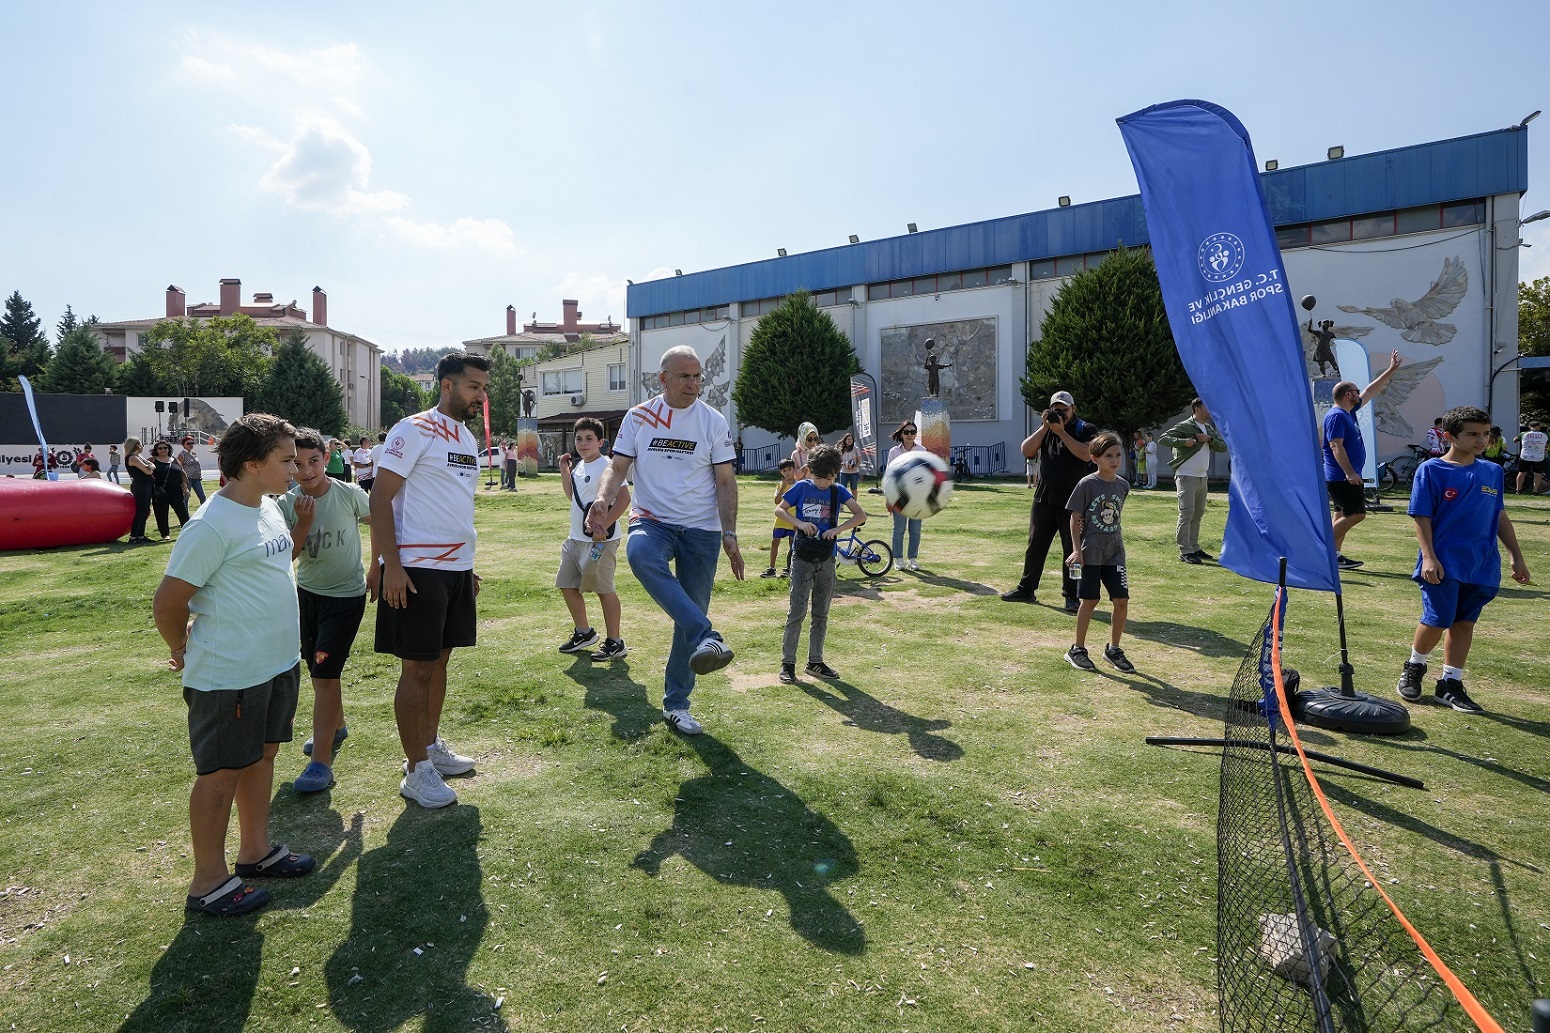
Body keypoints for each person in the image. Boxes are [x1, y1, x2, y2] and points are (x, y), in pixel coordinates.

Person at [151, 412, 315, 917]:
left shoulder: (265, 507)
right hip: (230, 674)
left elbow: (268, 570)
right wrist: (181, 648)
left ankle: (255, 851)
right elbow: (168, 602)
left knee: (262, 758)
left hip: (276, 663)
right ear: (250, 464)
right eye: (286, 461)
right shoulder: (211, 524)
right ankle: (207, 882)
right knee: (220, 774)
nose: (296, 470)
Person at [587, 345, 744, 736]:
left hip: (702, 530)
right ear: (663, 379)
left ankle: (676, 704)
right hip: (653, 519)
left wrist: (730, 533)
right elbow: (617, 467)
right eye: (684, 376)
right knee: (640, 554)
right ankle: (707, 635)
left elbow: (726, 481)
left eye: (697, 376)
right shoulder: (639, 417)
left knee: (685, 614)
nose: (693, 384)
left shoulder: (712, 421)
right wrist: (602, 501)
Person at [370, 352, 490, 808]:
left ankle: (431, 746)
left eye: (483, 388)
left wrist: (467, 565)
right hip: (417, 570)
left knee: (439, 662)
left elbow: (453, 504)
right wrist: (391, 566)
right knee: (416, 668)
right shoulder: (412, 429)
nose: (480, 396)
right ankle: (415, 769)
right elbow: (380, 499)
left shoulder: (463, 435)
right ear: (447, 385)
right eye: (474, 387)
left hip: (455, 570)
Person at [1395, 406, 1530, 714]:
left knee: (1465, 622)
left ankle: (1450, 684)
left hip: (1480, 563)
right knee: (1438, 618)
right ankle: (1414, 667)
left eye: (1486, 434)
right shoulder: (1431, 470)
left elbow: (1499, 515)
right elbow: (1421, 515)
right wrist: (1428, 557)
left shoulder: (1492, 471)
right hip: (1443, 562)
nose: (1481, 440)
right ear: (1449, 436)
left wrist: (1515, 556)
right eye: (1472, 434)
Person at [277, 428, 372, 794]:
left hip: (347, 597)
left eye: (313, 461)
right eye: (296, 464)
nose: (306, 471)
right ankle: (337, 726)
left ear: (327, 457)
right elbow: (288, 558)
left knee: (324, 673)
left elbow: (379, 519)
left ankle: (320, 762)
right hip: (307, 595)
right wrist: (302, 523)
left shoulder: (348, 494)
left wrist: (378, 565)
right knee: (318, 668)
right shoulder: (288, 503)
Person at [776, 443, 866, 684]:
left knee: (821, 613)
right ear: (809, 470)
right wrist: (800, 523)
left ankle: (815, 661)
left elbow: (860, 515)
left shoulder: (838, 491)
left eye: (828, 478)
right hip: (802, 557)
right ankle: (788, 663)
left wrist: (838, 529)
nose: (823, 482)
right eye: (818, 477)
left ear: (835, 474)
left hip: (827, 558)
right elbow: (780, 510)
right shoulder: (801, 487)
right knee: (797, 610)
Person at [1000, 391, 1097, 610]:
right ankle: (1026, 589)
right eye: (1056, 409)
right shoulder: (1047, 429)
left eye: (1064, 409)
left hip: (1075, 503)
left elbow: (1086, 454)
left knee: (1073, 550)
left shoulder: (1085, 429)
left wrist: (1061, 432)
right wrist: (1045, 427)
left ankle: (1072, 595)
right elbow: (1026, 450)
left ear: (1073, 409)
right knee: (1035, 547)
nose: (1060, 413)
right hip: (1044, 499)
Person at [555, 417, 631, 661]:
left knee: (603, 590)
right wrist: (565, 470)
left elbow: (623, 500)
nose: (583, 443)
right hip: (575, 539)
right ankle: (584, 632)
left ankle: (615, 642)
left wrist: (603, 526)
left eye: (589, 439)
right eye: (579, 438)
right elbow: (571, 495)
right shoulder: (579, 466)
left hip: (601, 542)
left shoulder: (607, 465)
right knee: (566, 584)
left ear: (601, 442)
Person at [1321, 351, 1403, 569]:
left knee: (1341, 514)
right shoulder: (1337, 416)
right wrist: (1350, 473)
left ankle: (1334, 557)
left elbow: (1371, 391)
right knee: (1357, 514)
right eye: (1355, 391)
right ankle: (1320, 548)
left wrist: (1390, 370)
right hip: (1342, 477)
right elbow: (1335, 445)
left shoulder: (1349, 411)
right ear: (1348, 394)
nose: (1359, 394)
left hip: (1344, 476)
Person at [1063, 432, 1134, 673]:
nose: (1114, 460)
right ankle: (1077, 649)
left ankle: (1113, 649)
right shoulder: (1087, 484)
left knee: (1121, 600)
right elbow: (1075, 518)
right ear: (1095, 458)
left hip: (1115, 553)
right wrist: (1077, 551)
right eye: (1108, 456)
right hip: (1090, 553)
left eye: (1117, 455)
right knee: (1090, 600)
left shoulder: (1123, 485)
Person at [1159, 398, 1228, 565]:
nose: (1210, 409)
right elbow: (1163, 438)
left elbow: (1222, 447)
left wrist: (1209, 439)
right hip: (1186, 476)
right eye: (1207, 406)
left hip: (1202, 477)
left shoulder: (1208, 428)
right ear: (1197, 408)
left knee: (1197, 514)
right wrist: (1185, 442)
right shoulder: (1185, 426)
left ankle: (1195, 547)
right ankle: (1185, 550)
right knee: (1187, 513)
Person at [885, 420, 929, 571]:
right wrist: (888, 498)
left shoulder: (922, 450)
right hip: (899, 496)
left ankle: (912, 559)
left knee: (915, 530)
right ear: (901, 434)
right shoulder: (894, 452)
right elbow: (889, 476)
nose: (910, 435)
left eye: (913, 432)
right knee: (899, 529)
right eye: (907, 432)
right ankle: (898, 559)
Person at [148, 440, 193, 542]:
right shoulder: (152, 460)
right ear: (156, 450)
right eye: (160, 448)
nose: (163, 450)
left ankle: (188, 532)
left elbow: (182, 475)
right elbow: (144, 471)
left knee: (183, 512)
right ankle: (165, 534)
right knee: (161, 514)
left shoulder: (175, 460)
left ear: (169, 449)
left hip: (176, 491)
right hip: (160, 492)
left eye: (165, 448)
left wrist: (185, 489)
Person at [762, 459, 799, 578]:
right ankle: (772, 568)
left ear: (794, 469)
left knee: (792, 543)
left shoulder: (799, 485)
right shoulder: (779, 485)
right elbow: (777, 501)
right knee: (775, 541)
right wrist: (783, 487)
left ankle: (790, 568)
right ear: (780, 472)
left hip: (793, 518)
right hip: (781, 518)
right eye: (784, 470)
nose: (787, 473)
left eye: (789, 469)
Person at [124, 437, 157, 543]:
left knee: (145, 511)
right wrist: (150, 467)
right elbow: (148, 471)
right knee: (141, 511)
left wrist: (150, 466)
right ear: (137, 445)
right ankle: (134, 536)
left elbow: (152, 465)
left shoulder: (139, 457)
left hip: (146, 485)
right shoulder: (132, 458)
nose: (143, 446)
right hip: (140, 486)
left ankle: (141, 535)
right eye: (141, 444)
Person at [1514, 420, 1547, 495]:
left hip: (1525, 456)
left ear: (1530, 427)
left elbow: (1515, 440)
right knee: (1537, 474)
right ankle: (1535, 491)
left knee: (1522, 473)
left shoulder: (1523, 434)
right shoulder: (1545, 435)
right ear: (1539, 427)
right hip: (1538, 457)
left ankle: (1518, 490)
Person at [177, 436, 206, 505]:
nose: (191, 445)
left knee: (202, 497)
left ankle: (204, 514)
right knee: (186, 498)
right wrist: (182, 481)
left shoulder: (193, 454)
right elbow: (179, 468)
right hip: (187, 479)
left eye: (192, 443)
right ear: (183, 445)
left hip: (197, 478)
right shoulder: (182, 455)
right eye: (188, 443)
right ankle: (185, 515)